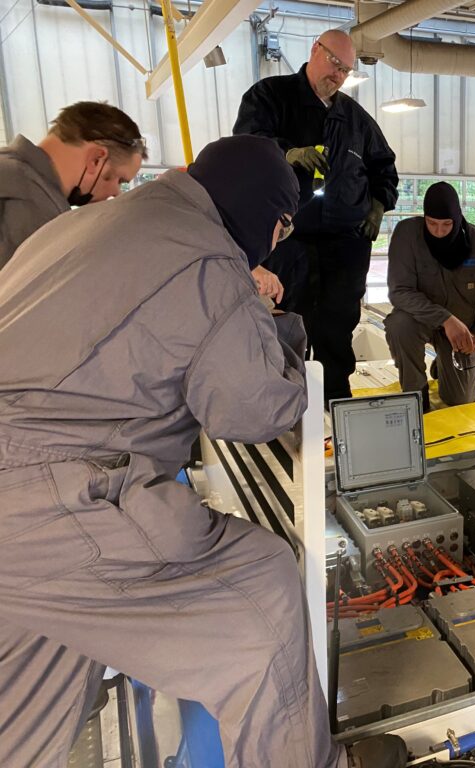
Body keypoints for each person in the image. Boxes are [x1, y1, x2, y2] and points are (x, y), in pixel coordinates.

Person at [0, 135, 404, 768]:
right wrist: (280, 335)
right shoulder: (209, 262)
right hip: (52, 496)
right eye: (280, 227)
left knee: (26, 698)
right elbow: (254, 409)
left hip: (16, 516)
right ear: (267, 218)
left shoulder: (92, 222)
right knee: (263, 591)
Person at [234, 28, 399, 402]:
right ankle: (281, 404)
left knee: (337, 327)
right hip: (288, 241)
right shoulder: (270, 97)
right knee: (284, 323)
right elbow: (246, 147)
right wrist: (286, 153)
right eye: (334, 64)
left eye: (346, 71)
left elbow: (385, 168)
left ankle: (336, 402)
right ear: (314, 51)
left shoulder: (356, 119)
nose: (338, 76)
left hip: (345, 248)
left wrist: (377, 205)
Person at [385, 181, 475, 410]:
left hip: (462, 330)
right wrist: (445, 319)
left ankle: (442, 364)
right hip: (420, 320)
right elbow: (399, 292)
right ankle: (416, 395)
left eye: (446, 224)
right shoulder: (407, 235)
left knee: (460, 400)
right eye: (432, 223)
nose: (438, 232)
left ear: (458, 218)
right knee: (399, 325)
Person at [0, 101, 146, 269]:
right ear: (96, 159)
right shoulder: (33, 205)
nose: (116, 193)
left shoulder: (9, 167)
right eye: (118, 180)